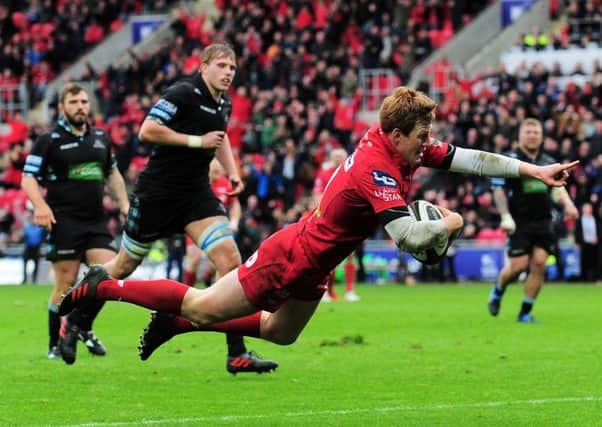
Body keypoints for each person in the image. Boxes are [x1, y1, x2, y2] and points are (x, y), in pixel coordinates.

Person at [59, 87, 578, 365]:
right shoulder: (378, 169)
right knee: (198, 303)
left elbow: (467, 158)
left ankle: (173, 324)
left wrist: (533, 169)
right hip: (293, 254)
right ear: (396, 133)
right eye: (422, 137)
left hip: (318, 261)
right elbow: (409, 240)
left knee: (278, 334)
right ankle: (102, 285)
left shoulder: (398, 141)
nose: (428, 145)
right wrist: (454, 223)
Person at [101, 43, 277, 374]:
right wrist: (195, 141)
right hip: (158, 193)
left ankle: (236, 353)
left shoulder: (223, 103)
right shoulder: (182, 93)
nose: (228, 72)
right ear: (203, 67)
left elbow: (220, 136)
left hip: (195, 194)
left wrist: (233, 171)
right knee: (123, 266)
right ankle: (79, 312)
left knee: (231, 261)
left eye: (232, 68)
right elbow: (147, 130)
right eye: (222, 65)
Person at [21, 82, 129, 361]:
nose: (80, 107)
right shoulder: (49, 140)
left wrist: (125, 203)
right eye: (74, 103)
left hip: (95, 222)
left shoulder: (101, 138)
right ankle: (54, 344)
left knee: (108, 275)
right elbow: (28, 177)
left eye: (83, 102)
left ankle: (81, 325)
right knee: (65, 284)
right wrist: (40, 205)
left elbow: (113, 174)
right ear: (62, 107)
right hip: (64, 221)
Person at [488, 118, 579, 322]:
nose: (532, 135)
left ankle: (525, 313)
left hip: (544, 221)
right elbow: (498, 190)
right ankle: (498, 290)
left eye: (535, 132)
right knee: (518, 267)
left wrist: (569, 205)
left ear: (541, 136)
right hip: (518, 222)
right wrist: (505, 216)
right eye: (528, 132)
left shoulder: (548, 161)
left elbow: (558, 189)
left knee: (539, 264)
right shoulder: (509, 161)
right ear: (520, 135)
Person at [313, 148, 360, 302]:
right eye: (336, 156)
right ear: (332, 158)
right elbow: (318, 195)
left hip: (348, 217)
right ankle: (326, 291)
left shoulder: (353, 173)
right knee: (328, 256)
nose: (339, 159)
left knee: (350, 255)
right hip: (330, 218)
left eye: (341, 156)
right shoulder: (325, 174)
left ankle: (350, 290)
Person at [574, 202, 601, 282]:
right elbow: (577, 232)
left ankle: (595, 277)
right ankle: (584, 278)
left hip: (595, 244)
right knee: (584, 262)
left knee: (595, 261)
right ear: (583, 210)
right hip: (584, 244)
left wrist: (597, 239)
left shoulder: (595, 220)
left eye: (589, 208)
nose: (588, 210)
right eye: (586, 208)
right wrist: (577, 243)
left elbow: (599, 231)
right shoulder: (579, 220)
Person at [21, 210, 45, 284]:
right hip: (28, 248)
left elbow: (43, 238)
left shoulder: (40, 228)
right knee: (25, 265)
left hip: (36, 249)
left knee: (36, 265)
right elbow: (23, 238)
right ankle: (24, 280)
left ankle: (34, 280)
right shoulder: (27, 228)